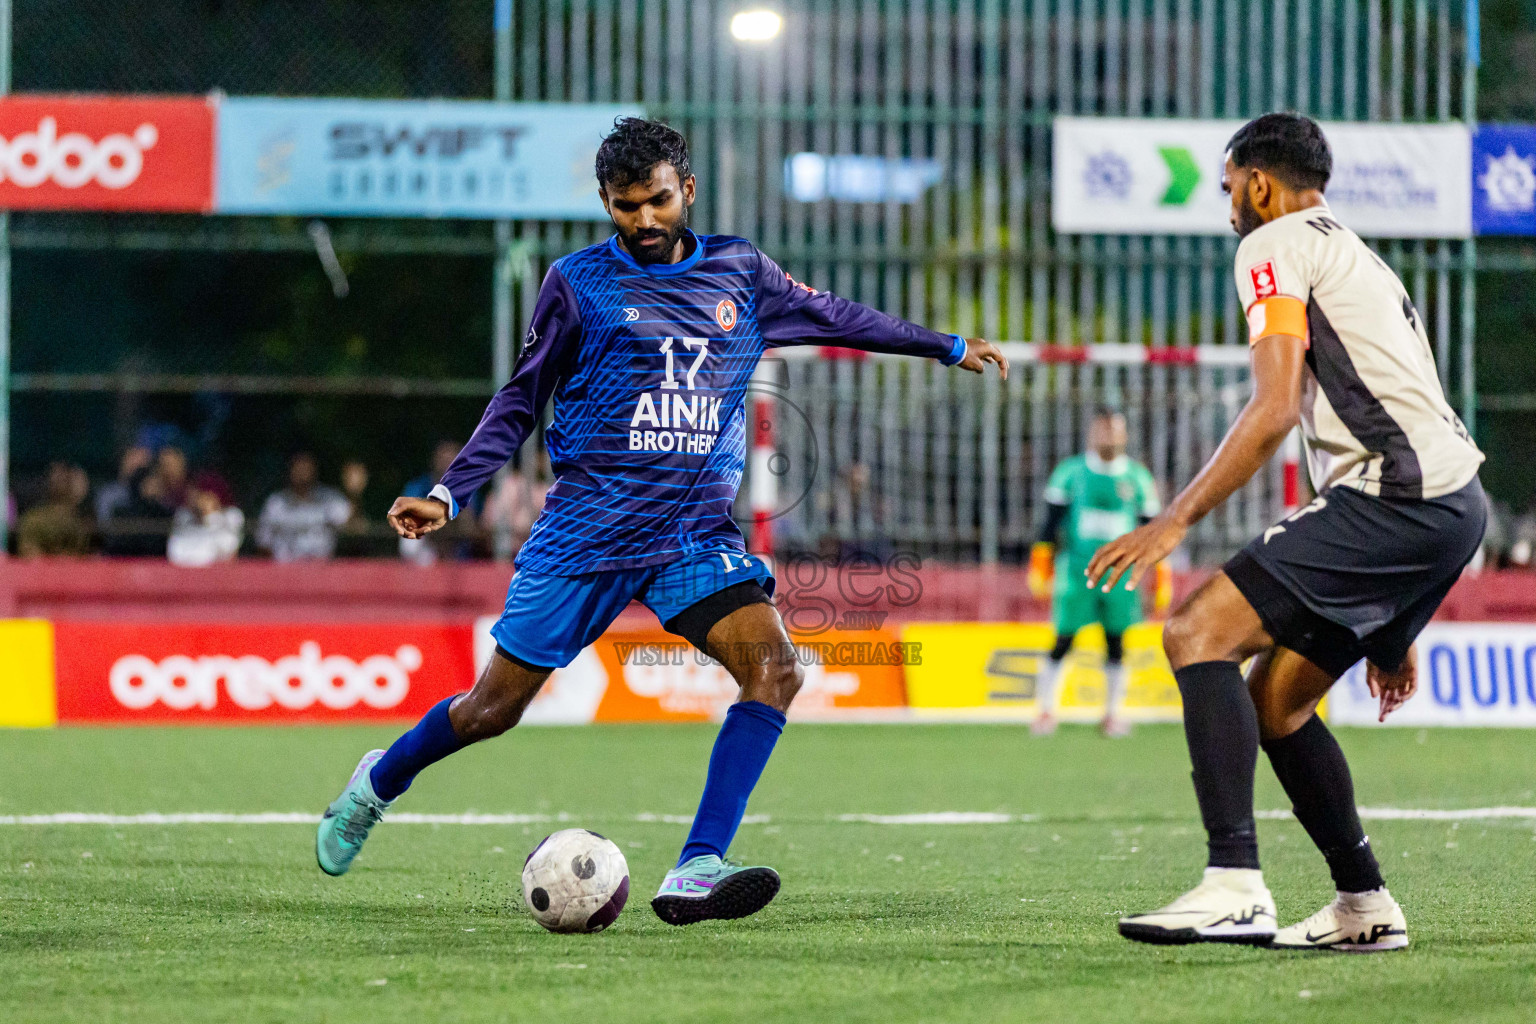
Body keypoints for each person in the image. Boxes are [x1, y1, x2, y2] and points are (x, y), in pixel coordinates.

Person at [314, 117, 1008, 925]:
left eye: (657, 200)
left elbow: (840, 317)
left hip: (690, 536)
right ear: (605, 203)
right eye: (623, 206)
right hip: (587, 533)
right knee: (490, 711)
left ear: (687, 189)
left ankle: (697, 865)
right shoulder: (578, 284)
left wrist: (945, 344)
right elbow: (519, 400)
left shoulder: (740, 271)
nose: (643, 220)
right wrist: (449, 491)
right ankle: (375, 786)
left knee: (776, 670)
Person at [1091, 113, 1484, 951]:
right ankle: (1363, 905)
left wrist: (1174, 517)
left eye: (1229, 186)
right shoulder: (1351, 248)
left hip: (1396, 498)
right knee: (1280, 699)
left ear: (1259, 183)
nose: (1228, 204)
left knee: (1197, 632)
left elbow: (1272, 410)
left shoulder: (1272, 245)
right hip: (1450, 506)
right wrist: (1394, 620)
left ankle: (1233, 884)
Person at [1027, 408, 1168, 738]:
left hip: (1120, 575)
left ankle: (1112, 714)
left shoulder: (1137, 478)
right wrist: (1040, 562)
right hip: (1077, 571)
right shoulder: (1070, 473)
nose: (1108, 436)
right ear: (1092, 434)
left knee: (1116, 640)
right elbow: (1049, 524)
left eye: (1115, 430)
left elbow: (1153, 531)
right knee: (1063, 639)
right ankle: (1045, 711)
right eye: (1102, 430)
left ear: (1125, 436)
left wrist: (1162, 572)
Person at [254, 452, 351, 562]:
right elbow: (263, 541)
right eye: (298, 468)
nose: (302, 473)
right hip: (284, 569)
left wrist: (353, 494)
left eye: (306, 468)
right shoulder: (276, 503)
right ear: (290, 471)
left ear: (315, 471)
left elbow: (353, 527)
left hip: (321, 568)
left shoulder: (330, 499)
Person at [17, 462, 92, 556]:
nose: (69, 482)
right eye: (63, 478)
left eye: (71, 476)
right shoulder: (34, 520)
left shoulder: (87, 521)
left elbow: (94, 557)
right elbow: (30, 558)